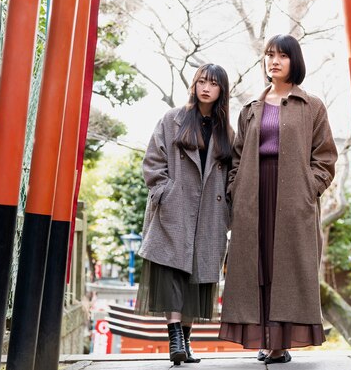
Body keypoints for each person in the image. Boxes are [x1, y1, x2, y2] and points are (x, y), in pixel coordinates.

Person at [218, 34, 338, 364]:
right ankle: (266, 338)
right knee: (258, 267)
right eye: (270, 55)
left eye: (282, 56)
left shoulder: (311, 106)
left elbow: (325, 156)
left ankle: (279, 343)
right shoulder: (251, 109)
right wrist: (235, 189)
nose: (274, 61)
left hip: (293, 196)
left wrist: (309, 188)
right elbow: (238, 156)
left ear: (294, 62)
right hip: (253, 196)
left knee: (288, 268)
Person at [136, 63, 233, 365]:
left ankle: (186, 342)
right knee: (172, 275)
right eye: (202, 81)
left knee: (198, 280)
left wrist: (227, 210)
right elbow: (153, 161)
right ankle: (175, 337)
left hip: (209, 215)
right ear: (194, 84)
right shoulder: (172, 119)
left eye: (213, 83)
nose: (206, 88)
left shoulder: (225, 130)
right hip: (175, 210)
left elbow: (233, 174)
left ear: (221, 90)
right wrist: (165, 192)